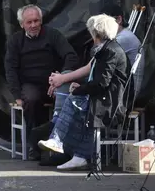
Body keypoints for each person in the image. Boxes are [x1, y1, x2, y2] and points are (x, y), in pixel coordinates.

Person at [38, 14, 128, 170]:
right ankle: (78, 154)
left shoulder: (110, 52)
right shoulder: (106, 49)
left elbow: (101, 83)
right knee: (77, 101)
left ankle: (60, 141)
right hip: (103, 95)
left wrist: (80, 89)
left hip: (111, 100)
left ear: (96, 33)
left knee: (74, 100)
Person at [4, 4, 80, 160]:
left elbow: (71, 56)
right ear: (21, 24)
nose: (33, 25)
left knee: (72, 98)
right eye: (29, 22)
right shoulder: (15, 41)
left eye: (36, 21)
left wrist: (61, 77)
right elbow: (10, 69)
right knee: (31, 100)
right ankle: (36, 146)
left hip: (54, 82)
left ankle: (66, 146)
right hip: (30, 85)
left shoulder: (53, 35)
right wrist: (17, 95)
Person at [48, 3, 144, 109]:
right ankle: (60, 117)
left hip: (121, 94)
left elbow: (91, 67)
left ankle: (59, 119)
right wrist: (61, 79)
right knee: (66, 78)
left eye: (104, 22)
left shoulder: (123, 39)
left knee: (66, 79)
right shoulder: (116, 39)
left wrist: (62, 78)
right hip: (110, 86)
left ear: (118, 20)